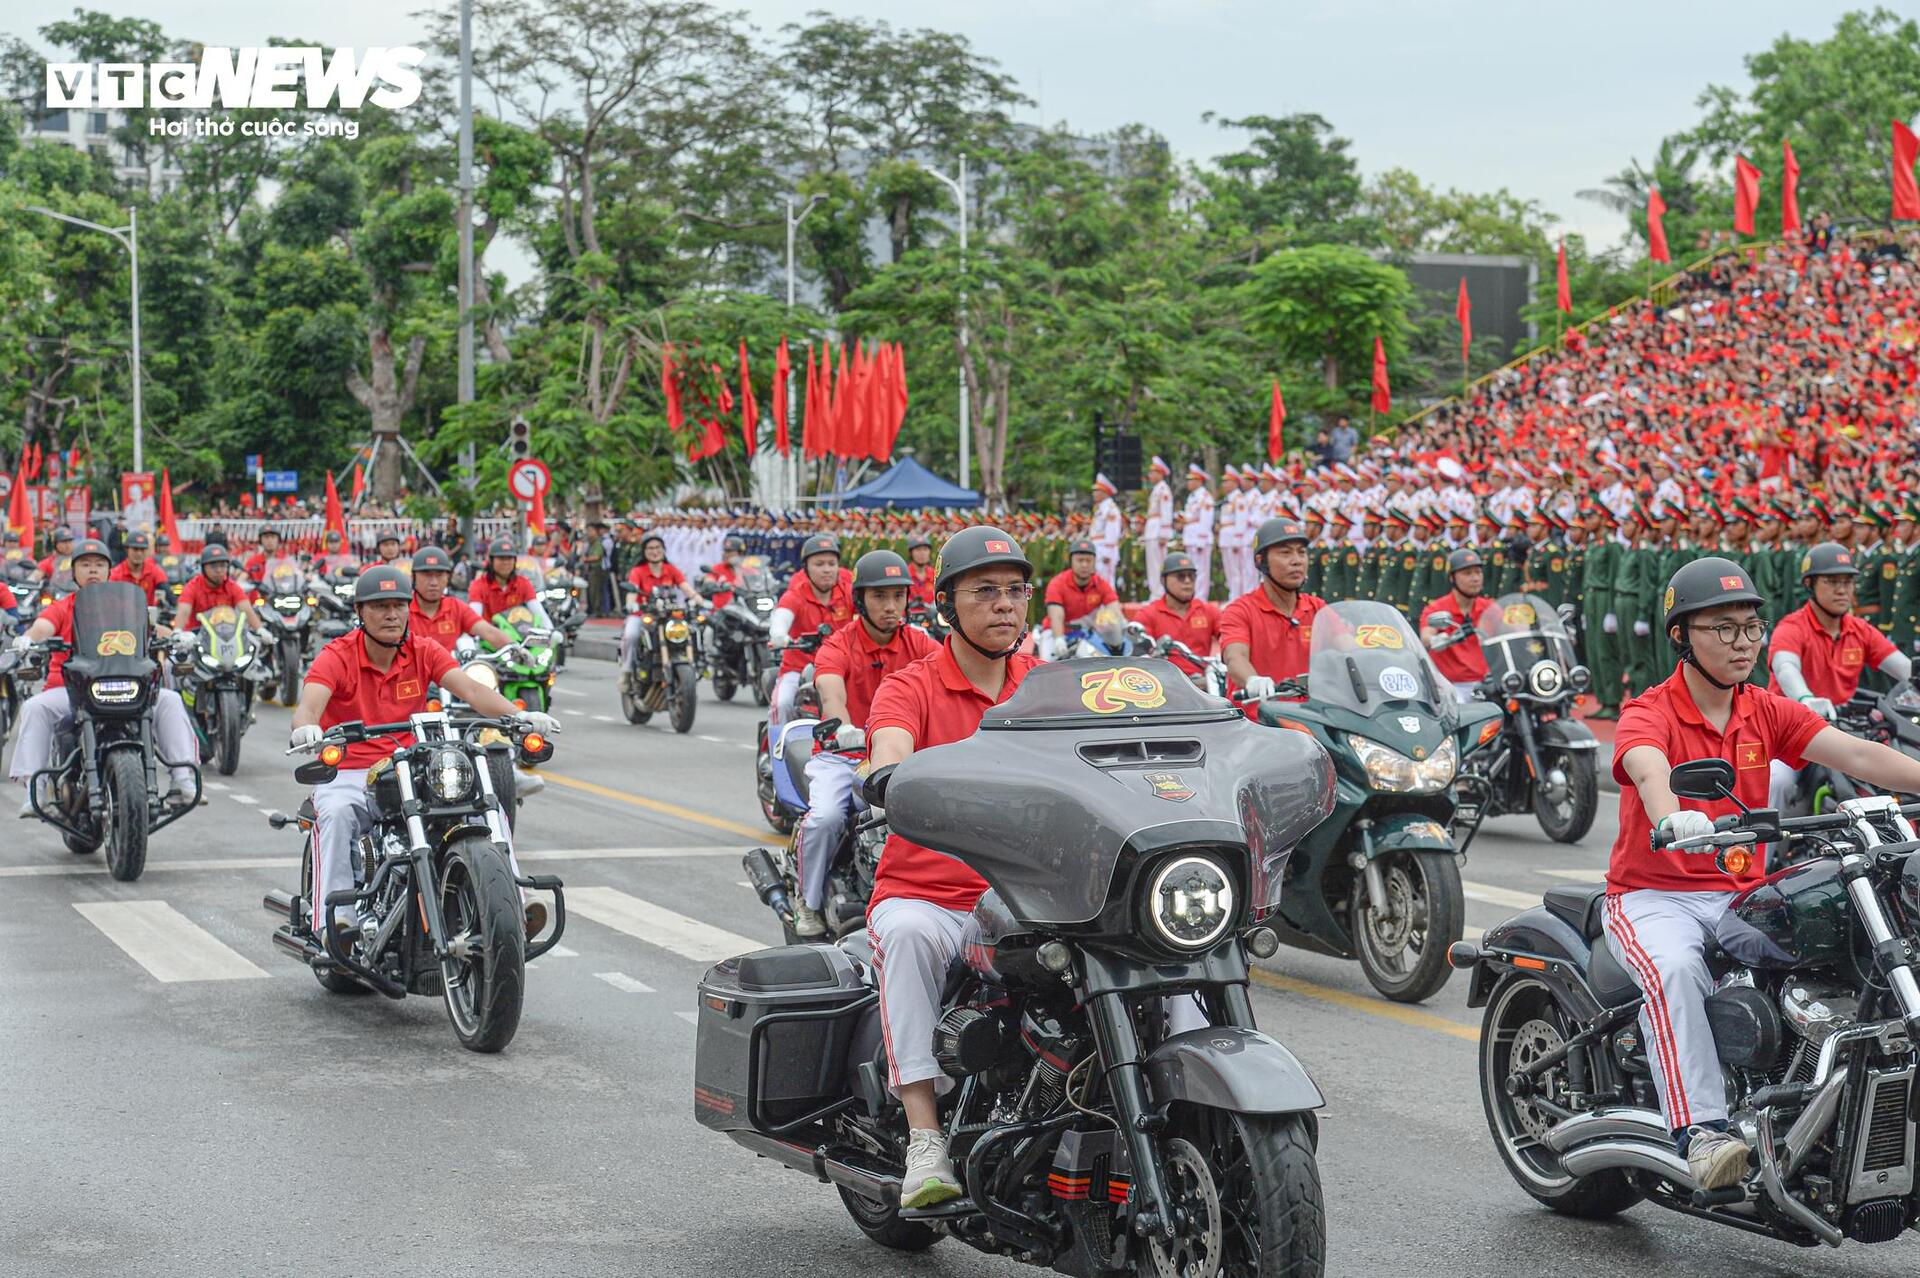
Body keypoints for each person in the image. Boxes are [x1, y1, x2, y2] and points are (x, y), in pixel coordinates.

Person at [1606, 557, 1920, 1190]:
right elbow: (1647, 766)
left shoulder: (1764, 710)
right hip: (1654, 895)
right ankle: (1700, 1131)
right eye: (1723, 628)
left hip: (1737, 894)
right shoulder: (1650, 710)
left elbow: (1855, 753)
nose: (1742, 642)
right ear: (1681, 636)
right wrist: (1672, 817)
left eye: (1751, 627)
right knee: (1676, 969)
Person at [864, 527, 1040, 1207]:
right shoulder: (910, 686)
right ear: (946, 606)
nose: (1005, 605)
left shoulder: (1045, 687)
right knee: (907, 936)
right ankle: (924, 1137)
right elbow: (889, 748)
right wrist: (892, 774)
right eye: (985, 591)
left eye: (1016, 590)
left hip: (1031, 897)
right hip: (932, 896)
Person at [288, 567, 560, 942]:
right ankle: (335, 921)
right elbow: (308, 706)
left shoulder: (423, 650)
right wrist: (307, 727)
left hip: (408, 767)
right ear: (360, 612)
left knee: (486, 806)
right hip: (351, 770)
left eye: (399, 605)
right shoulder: (337, 655)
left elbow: (472, 691)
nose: (392, 615)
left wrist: (520, 716)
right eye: (380, 606)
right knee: (334, 814)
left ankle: (514, 900)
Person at [790, 550, 938, 938]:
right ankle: (807, 900)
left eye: (898, 596)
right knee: (826, 818)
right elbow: (830, 689)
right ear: (859, 599)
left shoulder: (919, 643)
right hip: (845, 755)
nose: (891, 607)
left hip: (903, 759)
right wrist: (842, 725)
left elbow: (950, 672)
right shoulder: (838, 644)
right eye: (879, 596)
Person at [9, 539, 198, 813]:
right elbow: (42, 627)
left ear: (109, 571)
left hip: (125, 685)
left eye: (99, 565)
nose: (93, 570)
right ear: (74, 572)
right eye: (85, 565)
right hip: (71, 691)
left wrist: (177, 636)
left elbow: (152, 628)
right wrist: (28, 639)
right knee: (35, 707)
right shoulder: (63, 607)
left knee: (170, 700)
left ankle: (182, 780)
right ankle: (34, 792)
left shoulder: (125, 606)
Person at [1765, 541, 1911, 810]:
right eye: (1832, 581)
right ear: (1809, 584)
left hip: (1843, 728)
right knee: (1777, 782)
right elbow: (1786, 667)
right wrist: (1805, 698)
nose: (1842, 589)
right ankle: (1764, 839)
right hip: (1789, 728)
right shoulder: (1792, 627)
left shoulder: (1859, 630)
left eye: (1848, 581)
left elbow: (1904, 669)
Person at [1220, 516, 1324, 702]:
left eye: (1302, 552)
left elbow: (1347, 648)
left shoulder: (1318, 609)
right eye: (1285, 553)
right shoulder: (1240, 610)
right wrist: (1252, 680)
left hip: (1309, 716)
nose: (1297, 561)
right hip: (1258, 716)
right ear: (1261, 561)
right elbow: (1235, 657)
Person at [767, 534, 854, 728]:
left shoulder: (848, 592)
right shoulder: (795, 594)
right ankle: (777, 745)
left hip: (841, 668)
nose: (827, 569)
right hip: (798, 669)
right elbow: (782, 617)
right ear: (806, 568)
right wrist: (779, 635)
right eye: (819, 564)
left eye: (832, 564)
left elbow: (868, 611)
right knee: (782, 704)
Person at [1419, 549, 1495, 701]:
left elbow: (1511, 630)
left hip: (1486, 685)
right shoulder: (1437, 608)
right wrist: (1438, 639)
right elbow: (1426, 636)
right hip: (1450, 687)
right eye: (1467, 573)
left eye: (1478, 572)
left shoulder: (1489, 608)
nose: (1475, 578)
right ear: (1452, 578)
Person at [1132, 550, 1220, 676]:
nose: (1187, 581)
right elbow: (1139, 656)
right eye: (1180, 576)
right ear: (1163, 580)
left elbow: (1230, 639)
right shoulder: (1148, 614)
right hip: (1165, 684)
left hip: (1203, 682)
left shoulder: (1209, 611)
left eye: (1192, 576)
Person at [408, 546, 512, 653]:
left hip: (449, 664)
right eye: (426, 575)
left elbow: (488, 632)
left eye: (439, 575)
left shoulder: (456, 607)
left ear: (448, 578)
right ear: (413, 577)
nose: (434, 583)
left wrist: (514, 648)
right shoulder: (403, 609)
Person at [619, 533, 689, 677]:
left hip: (667, 615)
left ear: (664, 550)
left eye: (658, 547)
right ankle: (627, 671)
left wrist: (701, 601)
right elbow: (632, 592)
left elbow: (687, 588)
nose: (655, 551)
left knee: (689, 630)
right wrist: (631, 604)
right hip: (643, 615)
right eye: (650, 548)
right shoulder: (637, 571)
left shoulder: (671, 569)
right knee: (631, 635)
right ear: (644, 552)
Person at [1040, 538, 1119, 658]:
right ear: (1071, 561)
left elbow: (1115, 610)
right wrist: (1059, 639)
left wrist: (1117, 627)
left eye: (1088, 560)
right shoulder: (1057, 583)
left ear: (1094, 562)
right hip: (1056, 632)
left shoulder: (1101, 584)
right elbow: (1056, 616)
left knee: (1102, 662)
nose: (1084, 565)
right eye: (1080, 560)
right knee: (1046, 663)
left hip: (1087, 633)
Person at [172, 545, 262, 635]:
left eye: (223, 566)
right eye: (213, 566)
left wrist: (260, 630)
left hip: (227, 636)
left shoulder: (232, 586)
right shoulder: (192, 587)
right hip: (197, 637)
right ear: (203, 568)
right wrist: (178, 631)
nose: (219, 570)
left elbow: (247, 610)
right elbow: (183, 611)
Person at [468, 538, 536, 621]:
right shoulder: (478, 586)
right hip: (488, 629)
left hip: (519, 629)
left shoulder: (523, 583)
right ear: (491, 561)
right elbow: (474, 618)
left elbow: (539, 612)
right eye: (501, 558)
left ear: (515, 561)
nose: (506, 562)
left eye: (509, 558)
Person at [1179, 464, 1216, 601]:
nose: (1188, 482)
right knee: (1192, 569)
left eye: (1191, 480)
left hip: (1200, 539)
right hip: (1190, 537)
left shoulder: (1204, 497)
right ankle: (1193, 596)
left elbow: (1206, 520)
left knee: (1202, 570)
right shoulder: (1192, 497)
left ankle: (1200, 598)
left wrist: (1201, 539)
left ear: (1199, 481)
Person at [108, 531, 170, 607]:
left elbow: (169, 593)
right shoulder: (116, 574)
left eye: (142, 549)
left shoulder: (154, 570)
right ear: (127, 549)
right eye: (135, 549)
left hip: (148, 614)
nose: (139, 553)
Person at [1143, 457, 1174, 599]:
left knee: (1159, 564)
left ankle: (1160, 594)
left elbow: (1166, 512)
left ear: (1160, 474)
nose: (1150, 476)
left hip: (1158, 531)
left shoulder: (1163, 490)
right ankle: (1154, 593)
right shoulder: (1156, 489)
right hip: (1152, 530)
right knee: (1152, 565)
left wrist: (1164, 534)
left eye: (1153, 473)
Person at [1089, 474, 1123, 587]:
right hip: (1097, 548)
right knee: (1097, 581)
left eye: (1097, 491)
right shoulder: (1100, 508)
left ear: (1105, 492)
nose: (1094, 493)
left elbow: (1112, 532)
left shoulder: (1110, 509)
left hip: (1105, 549)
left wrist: (1108, 552)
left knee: (1106, 582)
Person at [904, 535, 937, 606]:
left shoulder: (936, 574)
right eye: (918, 549)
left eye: (925, 549)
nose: (922, 553)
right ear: (910, 553)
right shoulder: (904, 574)